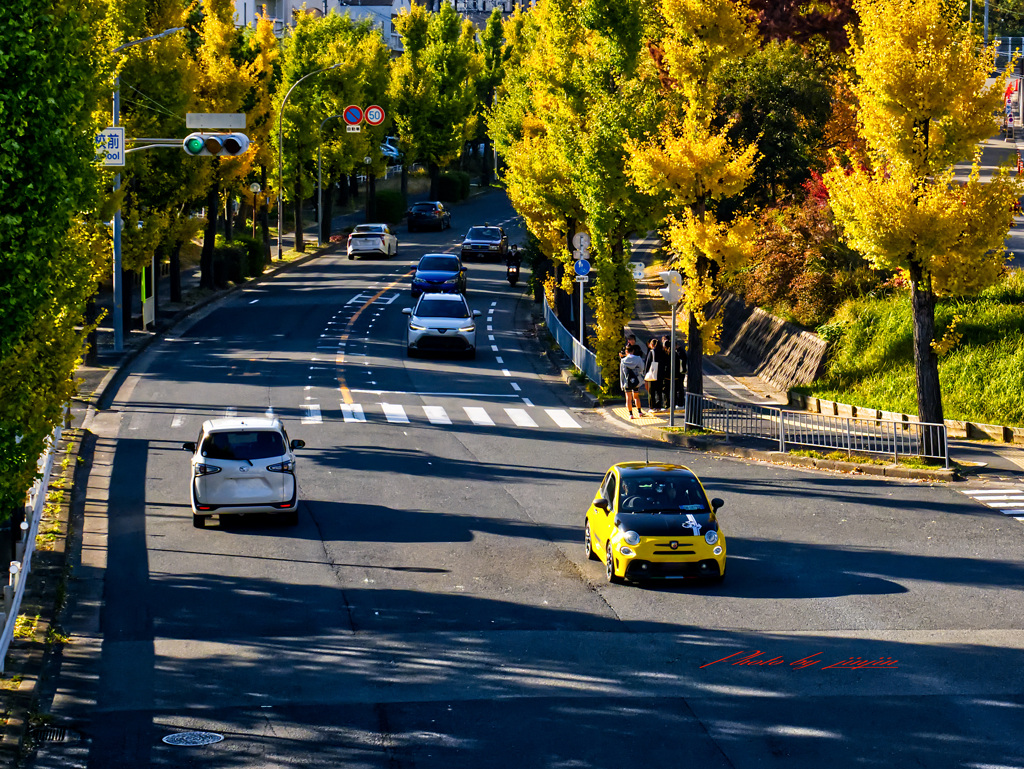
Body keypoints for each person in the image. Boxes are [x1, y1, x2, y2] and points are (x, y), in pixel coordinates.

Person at [620, 343, 646, 419]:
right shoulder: (638, 359)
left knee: (628, 397)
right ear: (633, 350)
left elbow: (622, 373)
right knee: (636, 396)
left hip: (627, 381)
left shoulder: (623, 361)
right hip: (636, 380)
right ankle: (639, 412)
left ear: (626, 351)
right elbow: (642, 368)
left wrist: (622, 383)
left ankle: (631, 414)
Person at [643, 338, 662, 412]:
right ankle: (658, 406)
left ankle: (652, 406)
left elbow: (648, 363)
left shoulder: (652, 352)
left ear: (652, 345)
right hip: (660, 374)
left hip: (653, 373)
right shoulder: (662, 352)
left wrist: (645, 373)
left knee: (652, 391)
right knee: (659, 391)